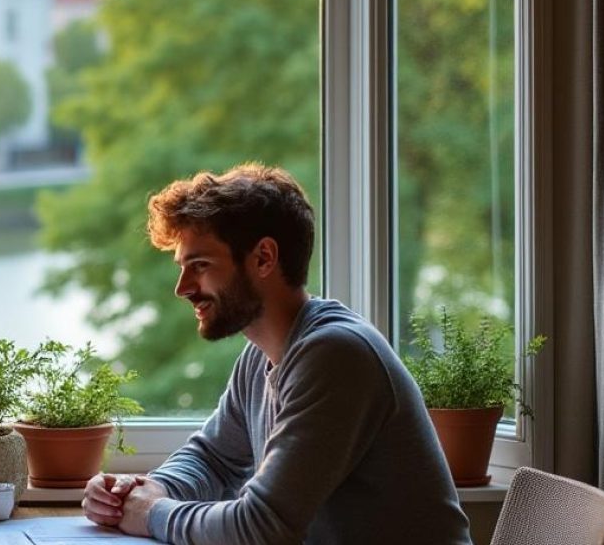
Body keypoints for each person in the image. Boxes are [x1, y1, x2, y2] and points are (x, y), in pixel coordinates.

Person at [81, 164, 471, 544]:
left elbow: (263, 528)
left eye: (199, 265)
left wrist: (151, 513)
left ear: (264, 258)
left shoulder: (335, 355)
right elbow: (213, 458)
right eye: (183, 268)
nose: (182, 288)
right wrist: (140, 490)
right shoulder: (261, 355)